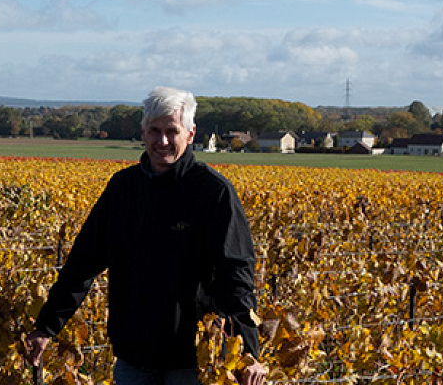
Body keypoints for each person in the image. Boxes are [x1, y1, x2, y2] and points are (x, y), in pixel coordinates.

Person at [23, 87, 267, 385]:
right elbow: (82, 264)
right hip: (133, 359)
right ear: (143, 132)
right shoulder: (122, 189)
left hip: (192, 363)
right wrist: (47, 327)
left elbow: (236, 276)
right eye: (154, 131)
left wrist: (248, 352)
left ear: (190, 134)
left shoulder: (213, 193)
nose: (162, 141)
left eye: (171, 131)